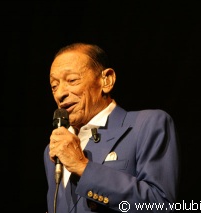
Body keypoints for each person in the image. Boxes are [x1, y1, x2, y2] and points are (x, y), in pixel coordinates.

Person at [44, 42, 180, 213]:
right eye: (54, 86)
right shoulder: (54, 149)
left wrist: (82, 166)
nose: (60, 93)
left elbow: (160, 204)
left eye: (72, 80)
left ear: (106, 80)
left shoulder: (147, 124)